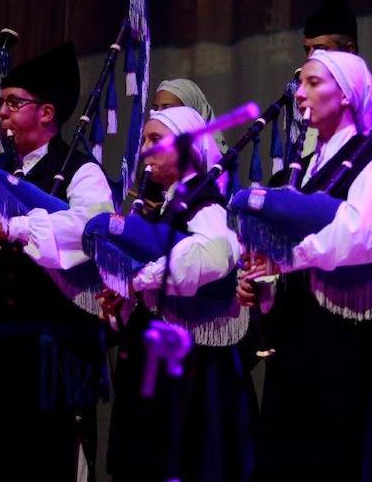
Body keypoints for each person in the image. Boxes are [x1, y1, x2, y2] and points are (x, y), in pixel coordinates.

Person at [237, 50, 372, 481]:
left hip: (345, 341)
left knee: (336, 458)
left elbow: (360, 235)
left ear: (349, 95)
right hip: (299, 337)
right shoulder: (302, 171)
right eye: (301, 83)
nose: (300, 93)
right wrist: (263, 286)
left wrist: (286, 259)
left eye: (314, 83)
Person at [0, 41, 114, 481]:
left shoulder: (80, 170)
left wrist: (16, 229)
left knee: (45, 462)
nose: (2, 112)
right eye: (2, 103)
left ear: (47, 113)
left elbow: (91, 231)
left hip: (50, 352)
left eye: (15, 103)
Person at [103, 105, 256, 482]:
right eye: (144, 141)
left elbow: (217, 255)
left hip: (189, 366)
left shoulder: (204, 202)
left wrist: (140, 277)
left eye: (157, 139)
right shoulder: (163, 208)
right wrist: (124, 296)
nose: (145, 150)